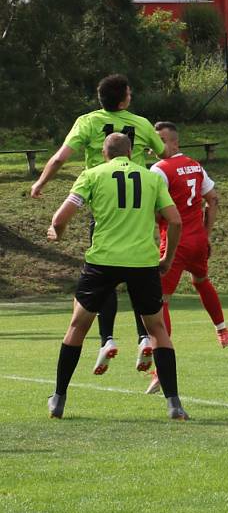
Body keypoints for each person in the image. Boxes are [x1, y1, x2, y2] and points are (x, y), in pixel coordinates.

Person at [45, 133, 189, 420]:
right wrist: (167, 258)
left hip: (103, 261)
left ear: (104, 153)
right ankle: (174, 403)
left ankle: (58, 398)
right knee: (157, 330)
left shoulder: (92, 174)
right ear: (131, 152)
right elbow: (174, 220)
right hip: (142, 262)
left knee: (78, 326)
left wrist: (56, 233)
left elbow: (61, 218)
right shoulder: (151, 178)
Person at [31, 74, 166, 376]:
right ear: (124, 99)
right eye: (129, 92)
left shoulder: (88, 122)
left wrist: (40, 182)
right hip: (139, 209)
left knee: (104, 276)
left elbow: (60, 158)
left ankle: (107, 339)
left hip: (104, 208)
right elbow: (165, 154)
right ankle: (145, 336)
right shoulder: (141, 123)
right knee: (140, 274)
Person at [144, 121, 228, 394]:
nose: (155, 146)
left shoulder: (159, 170)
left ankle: (160, 369)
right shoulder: (195, 165)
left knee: (160, 302)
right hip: (197, 240)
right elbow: (213, 199)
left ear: (174, 143)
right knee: (201, 280)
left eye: (160, 140)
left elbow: (153, 209)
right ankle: (222, 329)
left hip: (175, 242)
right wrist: (206, 234)